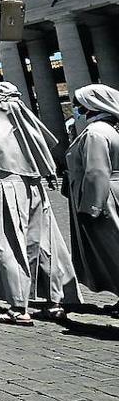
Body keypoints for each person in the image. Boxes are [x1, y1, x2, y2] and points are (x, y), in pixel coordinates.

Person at [0, 82, 80, 325]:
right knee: (43, 243)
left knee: (7, 245)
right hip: (34, 189)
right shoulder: (31, 132)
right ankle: (54, 300)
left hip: (1, 190)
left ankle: (18, 306)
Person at [66, 85, 119, 314]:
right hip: (111, 191)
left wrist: (91, 206)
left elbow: (95, 171)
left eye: (78, 104)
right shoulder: (108, 129)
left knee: (112, 247)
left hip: (103, 198)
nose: (76, 109)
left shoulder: (95, 132)